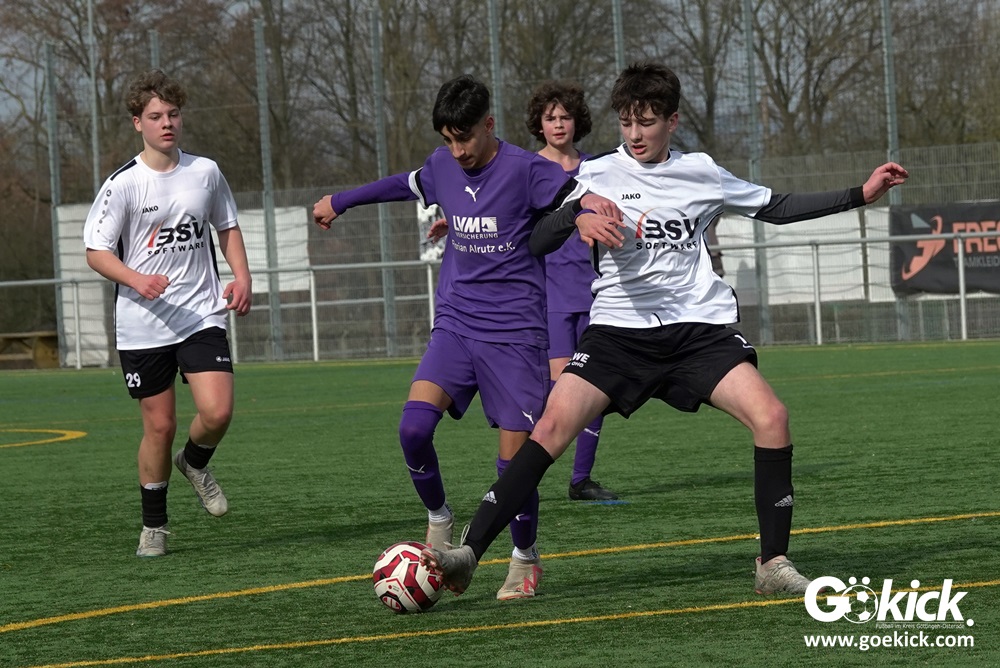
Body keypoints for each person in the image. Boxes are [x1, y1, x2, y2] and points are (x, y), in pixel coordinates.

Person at [421, 61, 908, 597]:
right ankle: (469, 553)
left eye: (647, 122)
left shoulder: (702, 172)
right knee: (550, 429)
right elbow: (536, 239)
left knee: (772, 417)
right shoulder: (597, 174)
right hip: (618, 333)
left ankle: (772, 564)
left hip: (697, 332)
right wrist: (577, 216)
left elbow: (778, 207)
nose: (635, 135)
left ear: (672, 121)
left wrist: (862, 194)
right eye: (626, 122)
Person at [312, 74, 612, 600]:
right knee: (412, 430)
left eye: (465, 138)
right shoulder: (442, 165)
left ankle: (524, 557)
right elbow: (400, 185)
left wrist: (586, 216)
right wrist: (341, 200)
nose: (458, 151)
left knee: (514, 465)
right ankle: (439, 518)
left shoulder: (526, 168)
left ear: (488, 124)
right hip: (456, 323)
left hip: (515, 334)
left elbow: (583, 195)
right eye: (448, 140)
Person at [83, 69, 253, 557]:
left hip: (200, 313)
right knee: (159, 427)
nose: (167, 123)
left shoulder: (206, 172)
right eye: (156, 116)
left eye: (173, 114)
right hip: (143, 324)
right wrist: (136, 279)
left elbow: (227, 226)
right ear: (138, 122)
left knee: (217, 411)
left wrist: (242, 277)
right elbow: (96, 252)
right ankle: (154, 527)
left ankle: (194, 462)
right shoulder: (122, 184)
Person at [525, 81, 619, 502]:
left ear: (578, 121)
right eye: (550, 118)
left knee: (594, 389)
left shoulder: (598, 168)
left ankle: (581, 480)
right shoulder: (528, 170)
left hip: (599, 293)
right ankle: (523, 472)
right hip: (550, 295)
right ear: (539, 125)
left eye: (565, 116)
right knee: (556, 390)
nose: (559, 124)